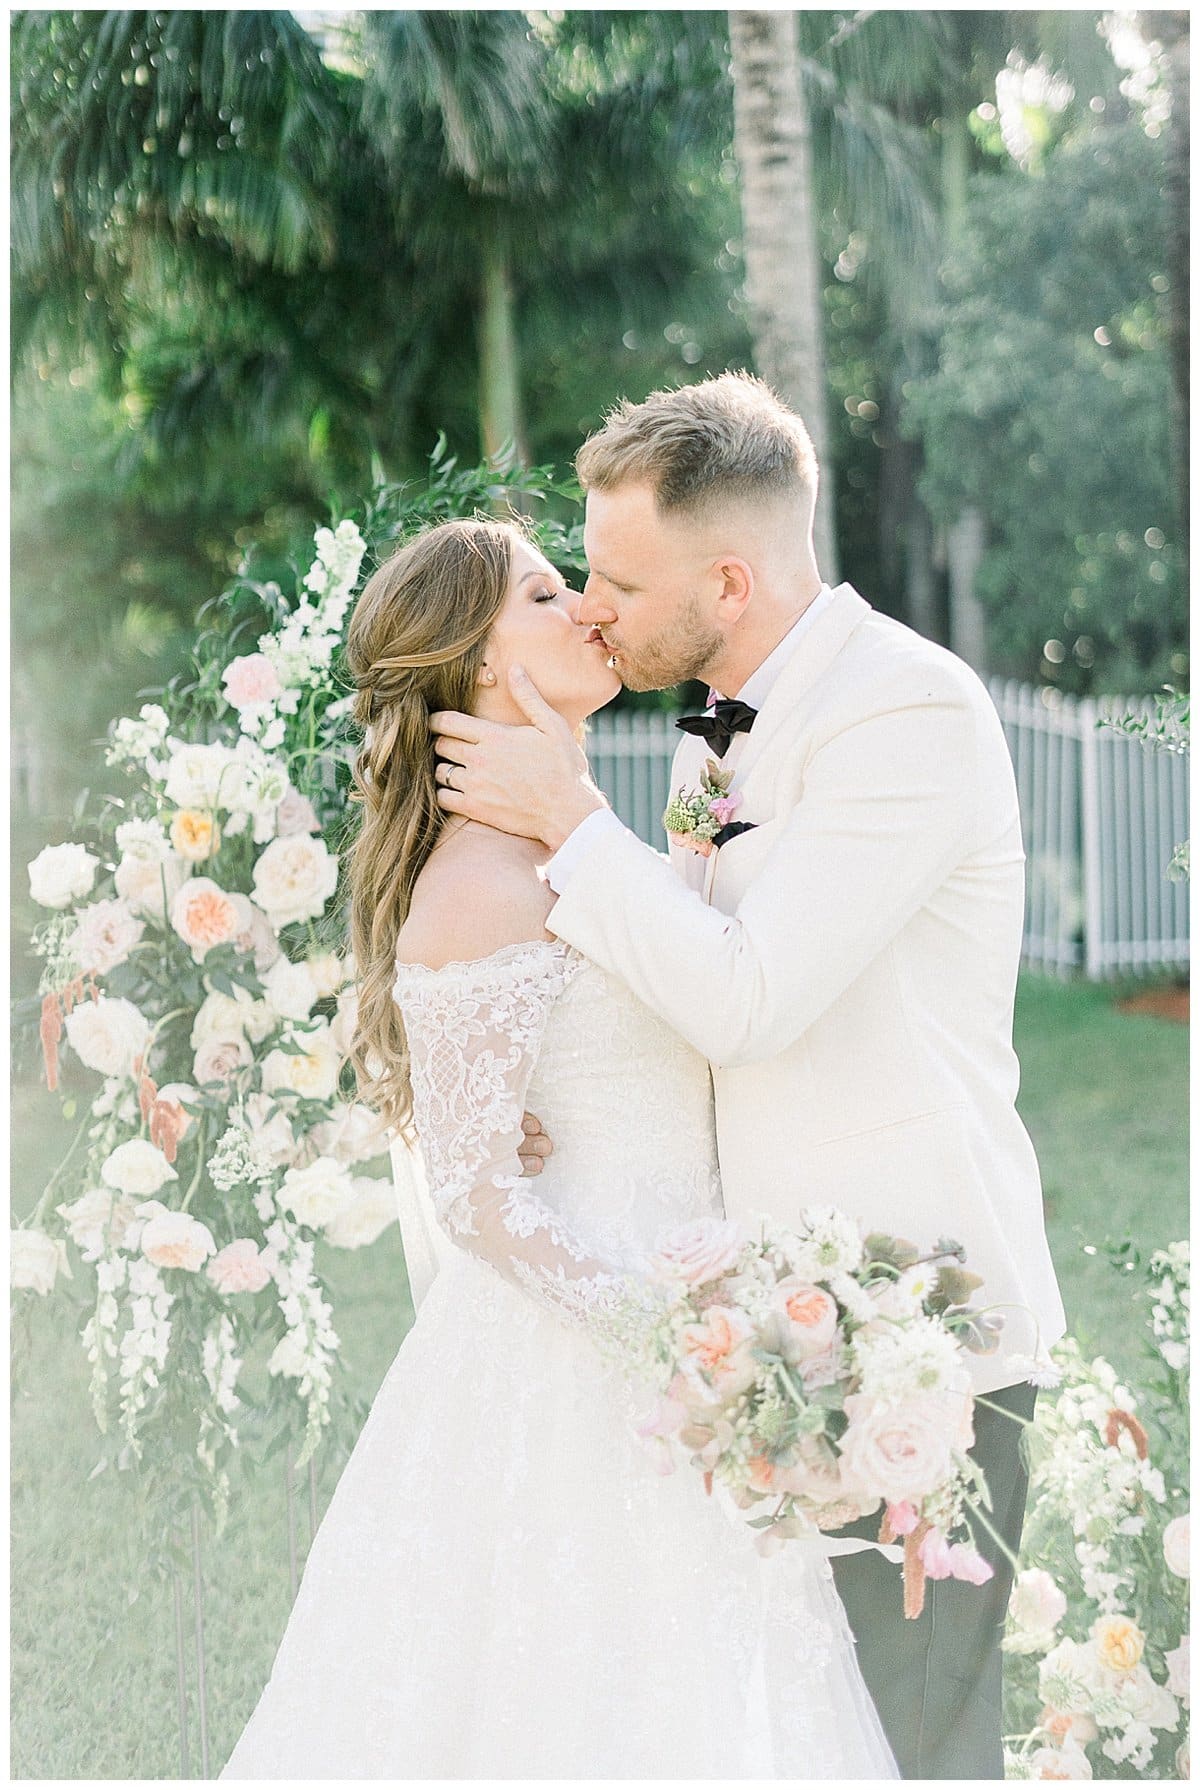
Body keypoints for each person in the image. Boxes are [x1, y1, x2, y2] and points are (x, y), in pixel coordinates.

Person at [429, 373, 1069, 1780]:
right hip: (761, 1345)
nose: (592, 606)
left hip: (916, 1330)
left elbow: (755, 997)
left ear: (729, 575)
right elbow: (671, 963)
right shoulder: (717, 725)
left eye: (616, 576)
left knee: (915, 1742)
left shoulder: (904, 711)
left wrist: (567, 818)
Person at [219, 515, 899, 1779]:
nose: (586, 603)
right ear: (480, 664)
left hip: (687, 1312)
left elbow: (688, 942)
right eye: (546, 591)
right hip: (587, 1346)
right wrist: (675, 1333)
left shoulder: (584, 840)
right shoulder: (481, 876)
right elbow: (477, 1198)